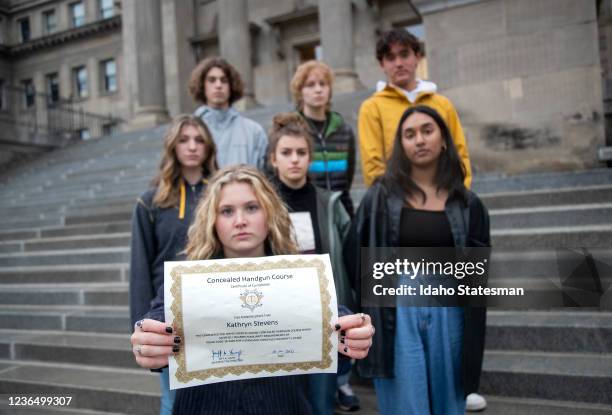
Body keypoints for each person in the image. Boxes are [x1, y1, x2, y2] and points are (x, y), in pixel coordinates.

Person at [131, 165, 375, 415]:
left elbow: (331, 314)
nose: (240, 221)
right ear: (212, 221)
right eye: (227, 211)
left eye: (251, 207)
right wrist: (150, 338)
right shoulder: (187, 279)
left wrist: (351, 331)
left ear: (269, 214)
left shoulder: (299, 275)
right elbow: (159, 315)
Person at [344, 106, 490, 415]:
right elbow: (354, 253)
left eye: (427, 130)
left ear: (444, 140)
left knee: (449, 400)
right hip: (396, 310)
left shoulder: (468, 204)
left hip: (450, 310)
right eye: (409, 134)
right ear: (401, 144)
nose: (419, 140)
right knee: (405, 403)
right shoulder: (380, 196)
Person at [266, 113, 358, 413]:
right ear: (273, 159)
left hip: (322, 319)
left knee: (321, 403)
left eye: (301, 153)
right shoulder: (261, 207)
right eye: (286, 153)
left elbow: (351, 259)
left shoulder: (330, 204)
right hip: (275, 320)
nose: (294, 159)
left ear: (310, 157)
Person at [129, 115, 218, 415]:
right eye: (184, 140)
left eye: (199, 140)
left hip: (216, 312)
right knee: (173, 401)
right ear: (172, 147)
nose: (192, 146)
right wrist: (142, 328)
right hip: (168, 315)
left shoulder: (222, 195)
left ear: (208, 147)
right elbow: (140, 270)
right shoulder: (151, 201)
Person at [358, 29, 472, 189]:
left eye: (404, 55)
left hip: (444, 196)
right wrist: (393, 202)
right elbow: (373, 165)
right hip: (399, 202)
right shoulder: (371, 108)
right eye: (390, 58)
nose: (398, 63)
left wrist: (460, 192)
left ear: (417, 57)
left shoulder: (442, 104)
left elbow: (459, 152)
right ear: (382, 65)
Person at [290, 60, 356, 217]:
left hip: (341, 211)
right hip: (304, 212)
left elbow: (349, 175)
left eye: (323, 84)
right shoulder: (291, 130)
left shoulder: (344, 130)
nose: (318, 90)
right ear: (300, 92)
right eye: (310, 85)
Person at [189, 57, 268, 170]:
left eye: (224, 80)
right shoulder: (189, 131)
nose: (218, 85)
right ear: (202, 85)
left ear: (231, 86)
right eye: (212, 80)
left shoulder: (254, 131)